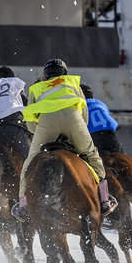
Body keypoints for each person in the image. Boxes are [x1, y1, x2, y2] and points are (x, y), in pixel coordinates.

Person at [12, 59, 117, 221]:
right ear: (64, 73)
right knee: (91, 154)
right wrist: (76, 132)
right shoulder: (73, 83)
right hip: (73, 120)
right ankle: (104, 200)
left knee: (30, 161)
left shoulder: (37, 88)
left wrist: (40, 133)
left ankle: (23, 205)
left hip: (47, 123)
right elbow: (84, 114)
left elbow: (31, 121)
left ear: (46, 75)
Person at [80, 83, 123, 155]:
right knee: (120, 156)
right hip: (109, 133)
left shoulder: (81, 105)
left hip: (94, 135)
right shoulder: (100, 103)